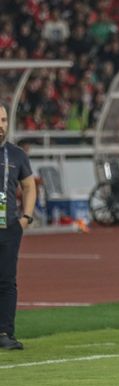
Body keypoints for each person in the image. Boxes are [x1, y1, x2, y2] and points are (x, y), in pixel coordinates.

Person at [0, 103, 37, 350]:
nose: (0, 126)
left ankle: (5, 333)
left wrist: (26, 218)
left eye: (3, 120)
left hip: (8, 227)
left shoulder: (16, 155)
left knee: (6, 281)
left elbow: (29, 187)